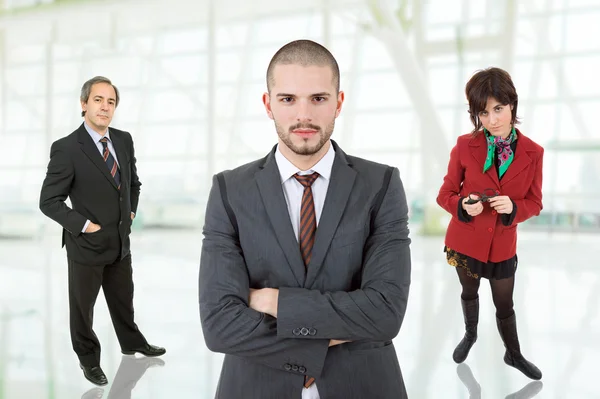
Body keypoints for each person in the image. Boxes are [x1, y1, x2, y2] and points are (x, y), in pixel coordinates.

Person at [199, 40, 412, 399]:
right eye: (287, 99)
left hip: (362, 385)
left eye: (318, 98)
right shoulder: (229, 190)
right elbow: (219, 325)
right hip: (254, 387)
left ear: (338, 103)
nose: (304, 116)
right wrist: (325, 337)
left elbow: (385, 312)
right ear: (268, 104)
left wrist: (273, 302)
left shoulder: (381, 185)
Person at [39, 76, 165, 386]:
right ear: (84, 105)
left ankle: (131, 342)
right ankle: (88, 360)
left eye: (110, 102)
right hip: (87, 244)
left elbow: (133, 183)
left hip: (120, 241)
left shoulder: (123, 140)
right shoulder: (67, 148)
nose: (104, 107)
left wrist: (131, 211)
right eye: (98, 100)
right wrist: (84, 225)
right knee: (83, 309)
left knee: (123, 299)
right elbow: (48, 201)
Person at [437, 67, 543, 380]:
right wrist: (461, 206)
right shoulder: (463, 146)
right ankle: (470, 335)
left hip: (502, 245)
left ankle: (514, 353)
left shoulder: (533, 153)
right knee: (469, 293)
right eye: (483, 112)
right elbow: (445, 193)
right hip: (465, 239)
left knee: (504, 304)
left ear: (512, 105)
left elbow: (535, 203)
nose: (492, 120)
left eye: (498, 109)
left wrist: (514, 206)